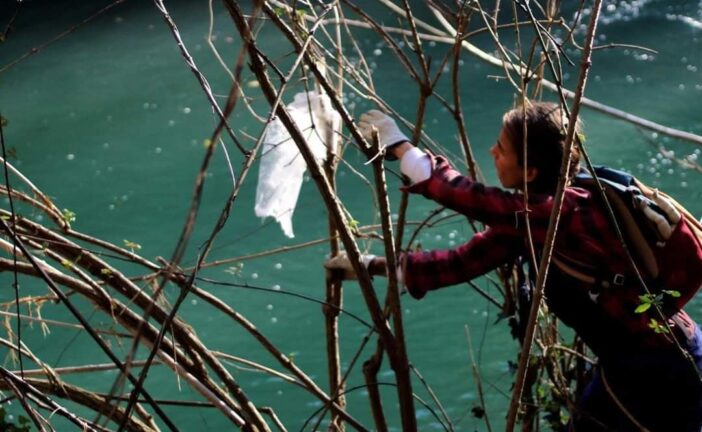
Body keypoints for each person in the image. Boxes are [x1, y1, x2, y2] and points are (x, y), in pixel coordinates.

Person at [325, 102, 702, 431]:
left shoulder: (565, 212)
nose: (492, 152)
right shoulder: (533, 222)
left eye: (502, 149)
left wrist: (401, 147)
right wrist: (367, 265)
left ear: (531, 171)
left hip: (662, 364)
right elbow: (458, 264)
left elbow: (466, 196)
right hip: (636, 362)